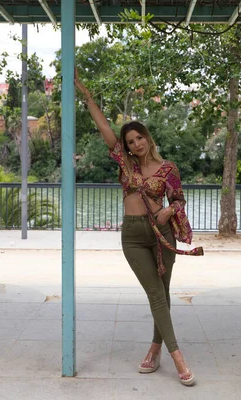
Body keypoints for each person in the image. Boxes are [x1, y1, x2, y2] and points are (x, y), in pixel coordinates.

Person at [75, 69, 204, 386]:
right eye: (130, 141)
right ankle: (179, 359)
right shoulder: (126, 164)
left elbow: (179, 199)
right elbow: (104, 127)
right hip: (133, 235)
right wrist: (87, 96)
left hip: (162, 234)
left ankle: (155, 348)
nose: (136, 144)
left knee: (164, 293)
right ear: (127, 147)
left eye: (139, 137)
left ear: (148, 138)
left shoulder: (169, 168)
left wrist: (168, 211)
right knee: (155, 295)